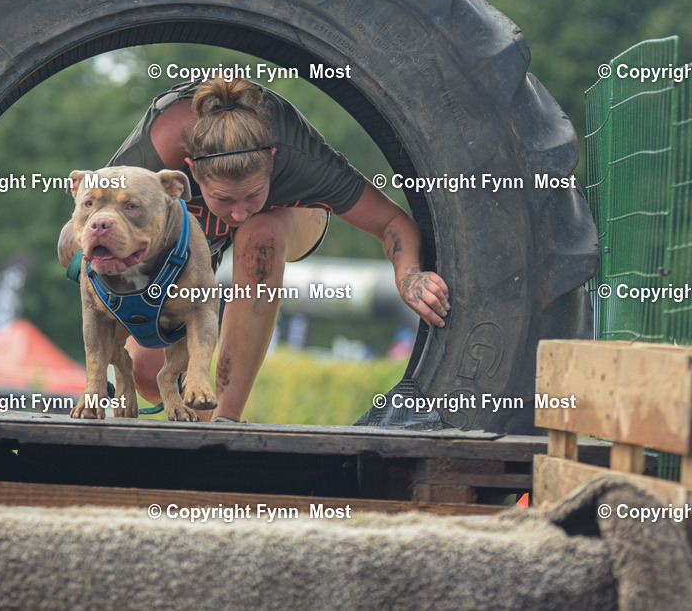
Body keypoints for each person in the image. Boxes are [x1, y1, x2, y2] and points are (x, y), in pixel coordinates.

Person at [59, 77, 450, 421]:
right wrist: (87, 255)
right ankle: (197, 420)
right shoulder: (155, 154)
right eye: (224, 199)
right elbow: (83, 227)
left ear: (273, 163)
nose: (239, 212)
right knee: (150, 374)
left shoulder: (303, 162)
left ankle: (226, 424)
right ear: (191, 171)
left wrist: (409, 274)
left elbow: (392, 222)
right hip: (189, 237)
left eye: (252, 194)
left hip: (292, 218)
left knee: (257, 232)